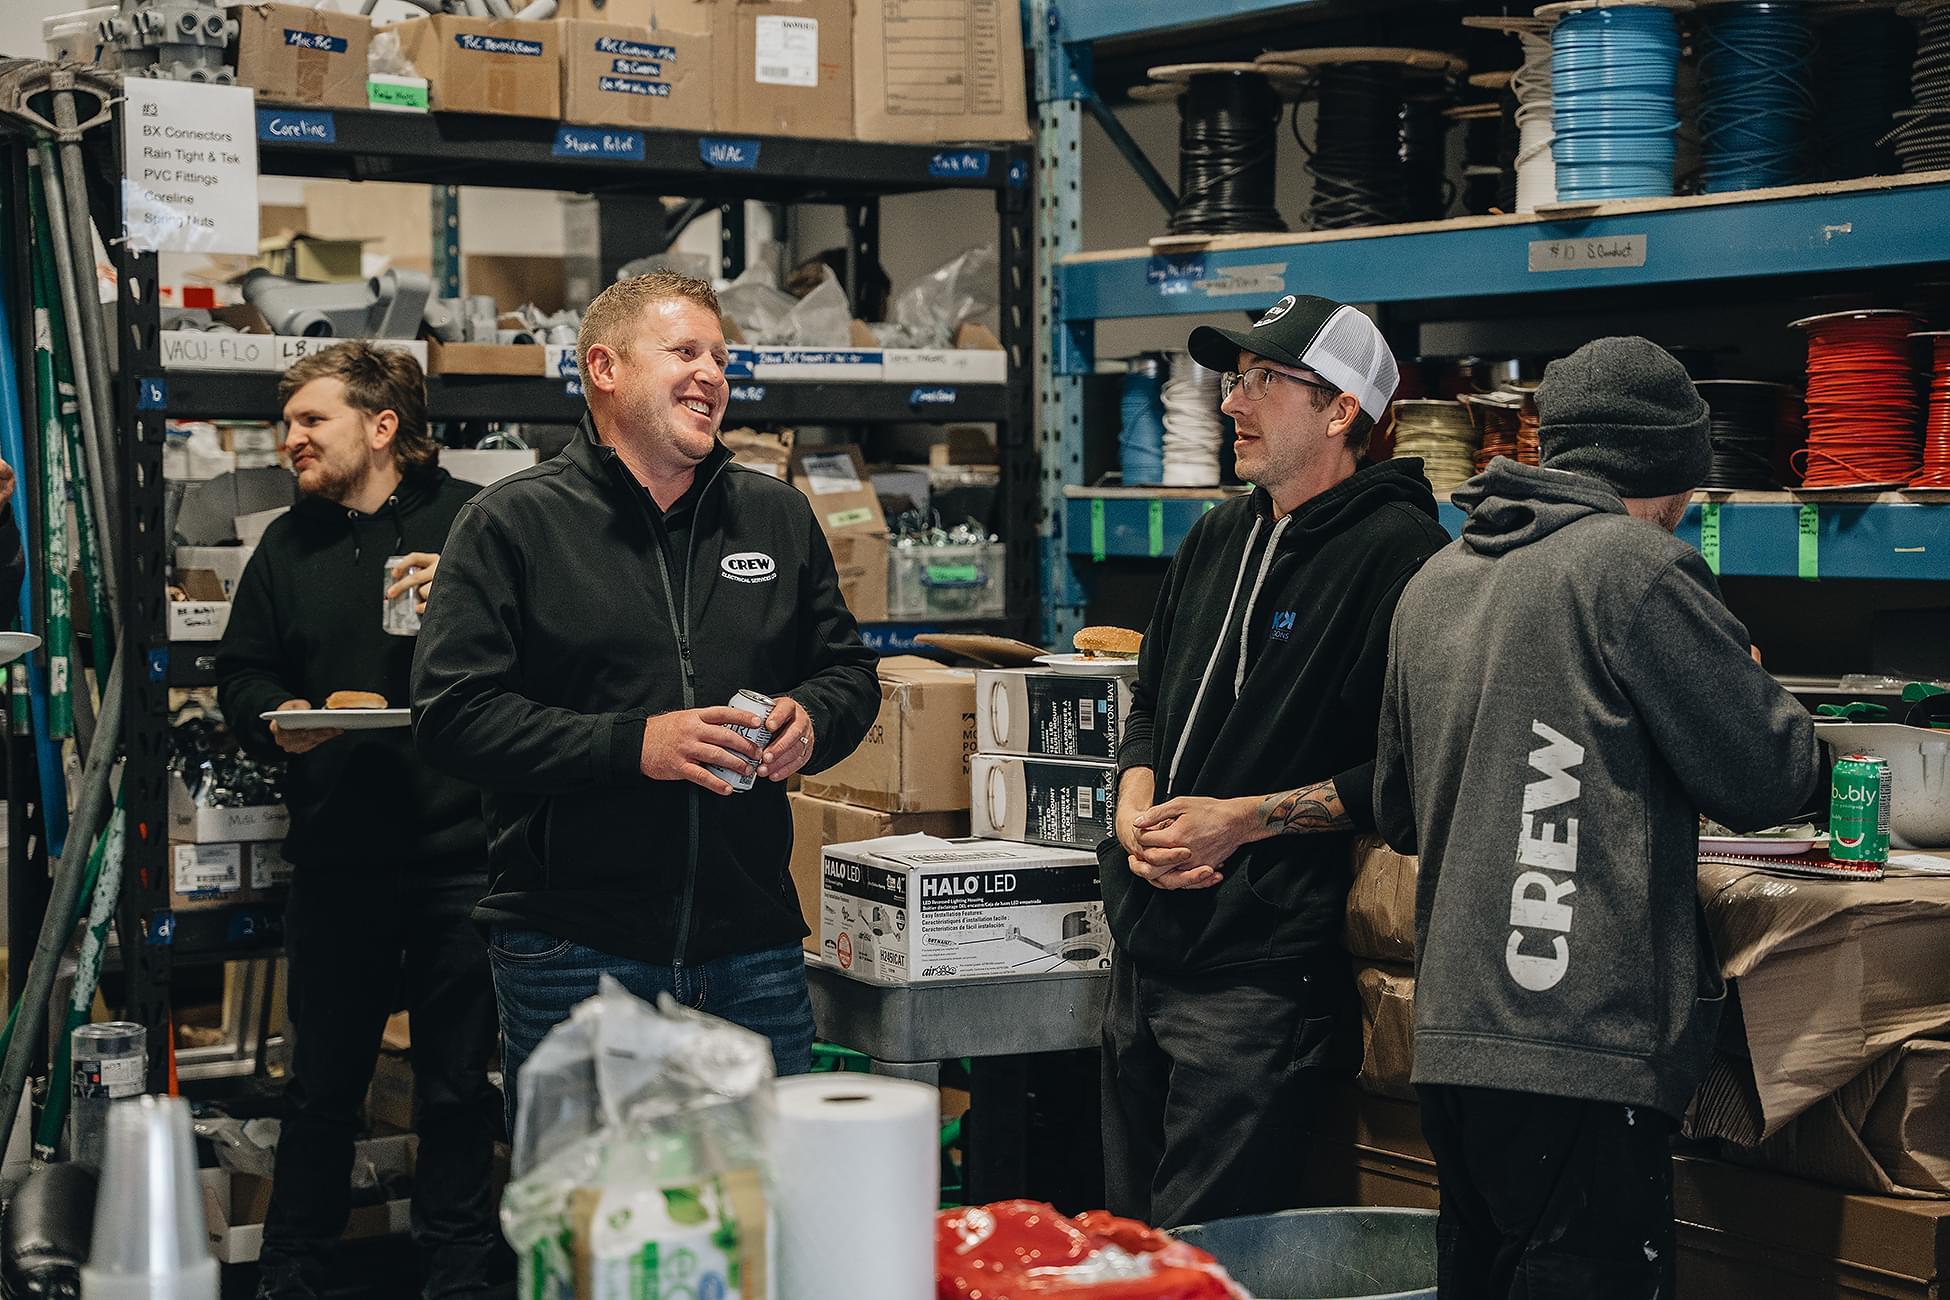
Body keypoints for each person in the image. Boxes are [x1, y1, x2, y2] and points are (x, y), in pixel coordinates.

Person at [1372, 336, 1822, 1299]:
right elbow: (1769, 778)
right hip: (1580, 1041)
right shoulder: (1636, 567)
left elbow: (1397, 812)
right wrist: (1747, 687)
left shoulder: (1434, 582)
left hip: (1454, 1040)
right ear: (1671, 469)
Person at [410, 272, 879, 1115]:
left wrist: (814, 719)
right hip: (575, 954)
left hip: (753, 952)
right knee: (592, 1195)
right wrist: (638, 745)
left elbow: (847, 672)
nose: (712, 375)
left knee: (760, 1192)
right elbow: (453, 714)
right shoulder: (511, 523)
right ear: (605, 368)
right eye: (685, 351)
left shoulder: (775, 516)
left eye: (721, 358)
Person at [1102, 294, 1451, 1228]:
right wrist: (1134, 802)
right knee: (1130, 1245)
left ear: (1341, 411)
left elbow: (1415, 774)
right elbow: (1151, 702)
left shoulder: (1407, 559)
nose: (1231, 402)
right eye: (1233, 378)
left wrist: (1242, 820)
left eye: (1262, 380)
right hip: (1143, 945)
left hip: (1259, 973)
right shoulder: (1218, 535)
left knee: (1208, 1254)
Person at [216, 343, 500, 1300]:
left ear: (383, 427)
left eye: (311, 420)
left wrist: (465, 586)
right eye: (286, 422)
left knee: (458, 1087)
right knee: (322, 1088)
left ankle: (459, 1274)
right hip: (339, 860)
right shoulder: (285, 547)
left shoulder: (477, 522)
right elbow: (243, 672)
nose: (289, 439)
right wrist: (276, 720)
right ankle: (293, 1270)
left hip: (463, 856)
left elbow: (550, 651)